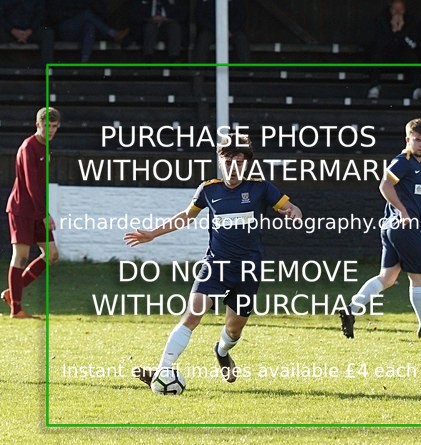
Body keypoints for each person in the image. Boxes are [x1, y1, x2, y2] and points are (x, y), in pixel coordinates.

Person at [125, 133, 303, 390]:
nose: (233, 167)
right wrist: (153, 233)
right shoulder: (209, 189)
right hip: (215, 266)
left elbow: (292, 208)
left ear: (247, 163)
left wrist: (293, 213)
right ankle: (163, 369)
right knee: (192, 314)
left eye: (239, 161)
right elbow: (186, 216)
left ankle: (221, 351)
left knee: (234, 329)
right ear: (220, 161)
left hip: (248, 270)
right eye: (228, 160)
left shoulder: (260, 188)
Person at [339, 118, 421, 340]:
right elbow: (384, 185)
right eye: (416, 140)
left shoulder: (415, 167)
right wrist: (403, 213)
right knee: (418, 279)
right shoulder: (404, 161)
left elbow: (412, 199)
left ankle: (351, 309)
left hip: (392, 228)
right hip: (404, 227)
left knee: (387, 277)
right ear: (408, 139)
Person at [1, 107, 61, 318]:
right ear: (38, 125)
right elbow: (30, 184)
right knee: (21, 256)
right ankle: (16, 309)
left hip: (37, 211)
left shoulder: (46, 148)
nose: (51, 130)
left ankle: (13, 292)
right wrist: (45, 214)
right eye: (47, 126)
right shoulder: (29, 147)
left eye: (54, 126)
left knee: (52, 254)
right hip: (22, 209)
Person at [366, 0, 421, 100]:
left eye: (400, 10)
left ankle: (417, 88)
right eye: (395, 10)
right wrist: (393, 31)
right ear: (390, 10)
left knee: (412, 56)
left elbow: (413, 45)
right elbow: (378, 44)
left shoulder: (411, 22)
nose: (398, 12)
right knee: (377, 56)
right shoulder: (382, 20)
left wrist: (400, 32)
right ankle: (374, 87)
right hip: (386, 57)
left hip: (403, 56)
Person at [51, 0, 129, 62]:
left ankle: (84, 61)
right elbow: (58, 13)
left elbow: (99, 10)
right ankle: (112, 33)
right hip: (66, 27)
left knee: (90, 25)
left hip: (82, 31)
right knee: (86, 14)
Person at [0, 0, 54, 68]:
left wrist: (30, 30)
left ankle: (48, 71)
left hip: (31, 32)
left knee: (47, 33)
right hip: (9, 32)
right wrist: (12, 30)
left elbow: (41, 15)